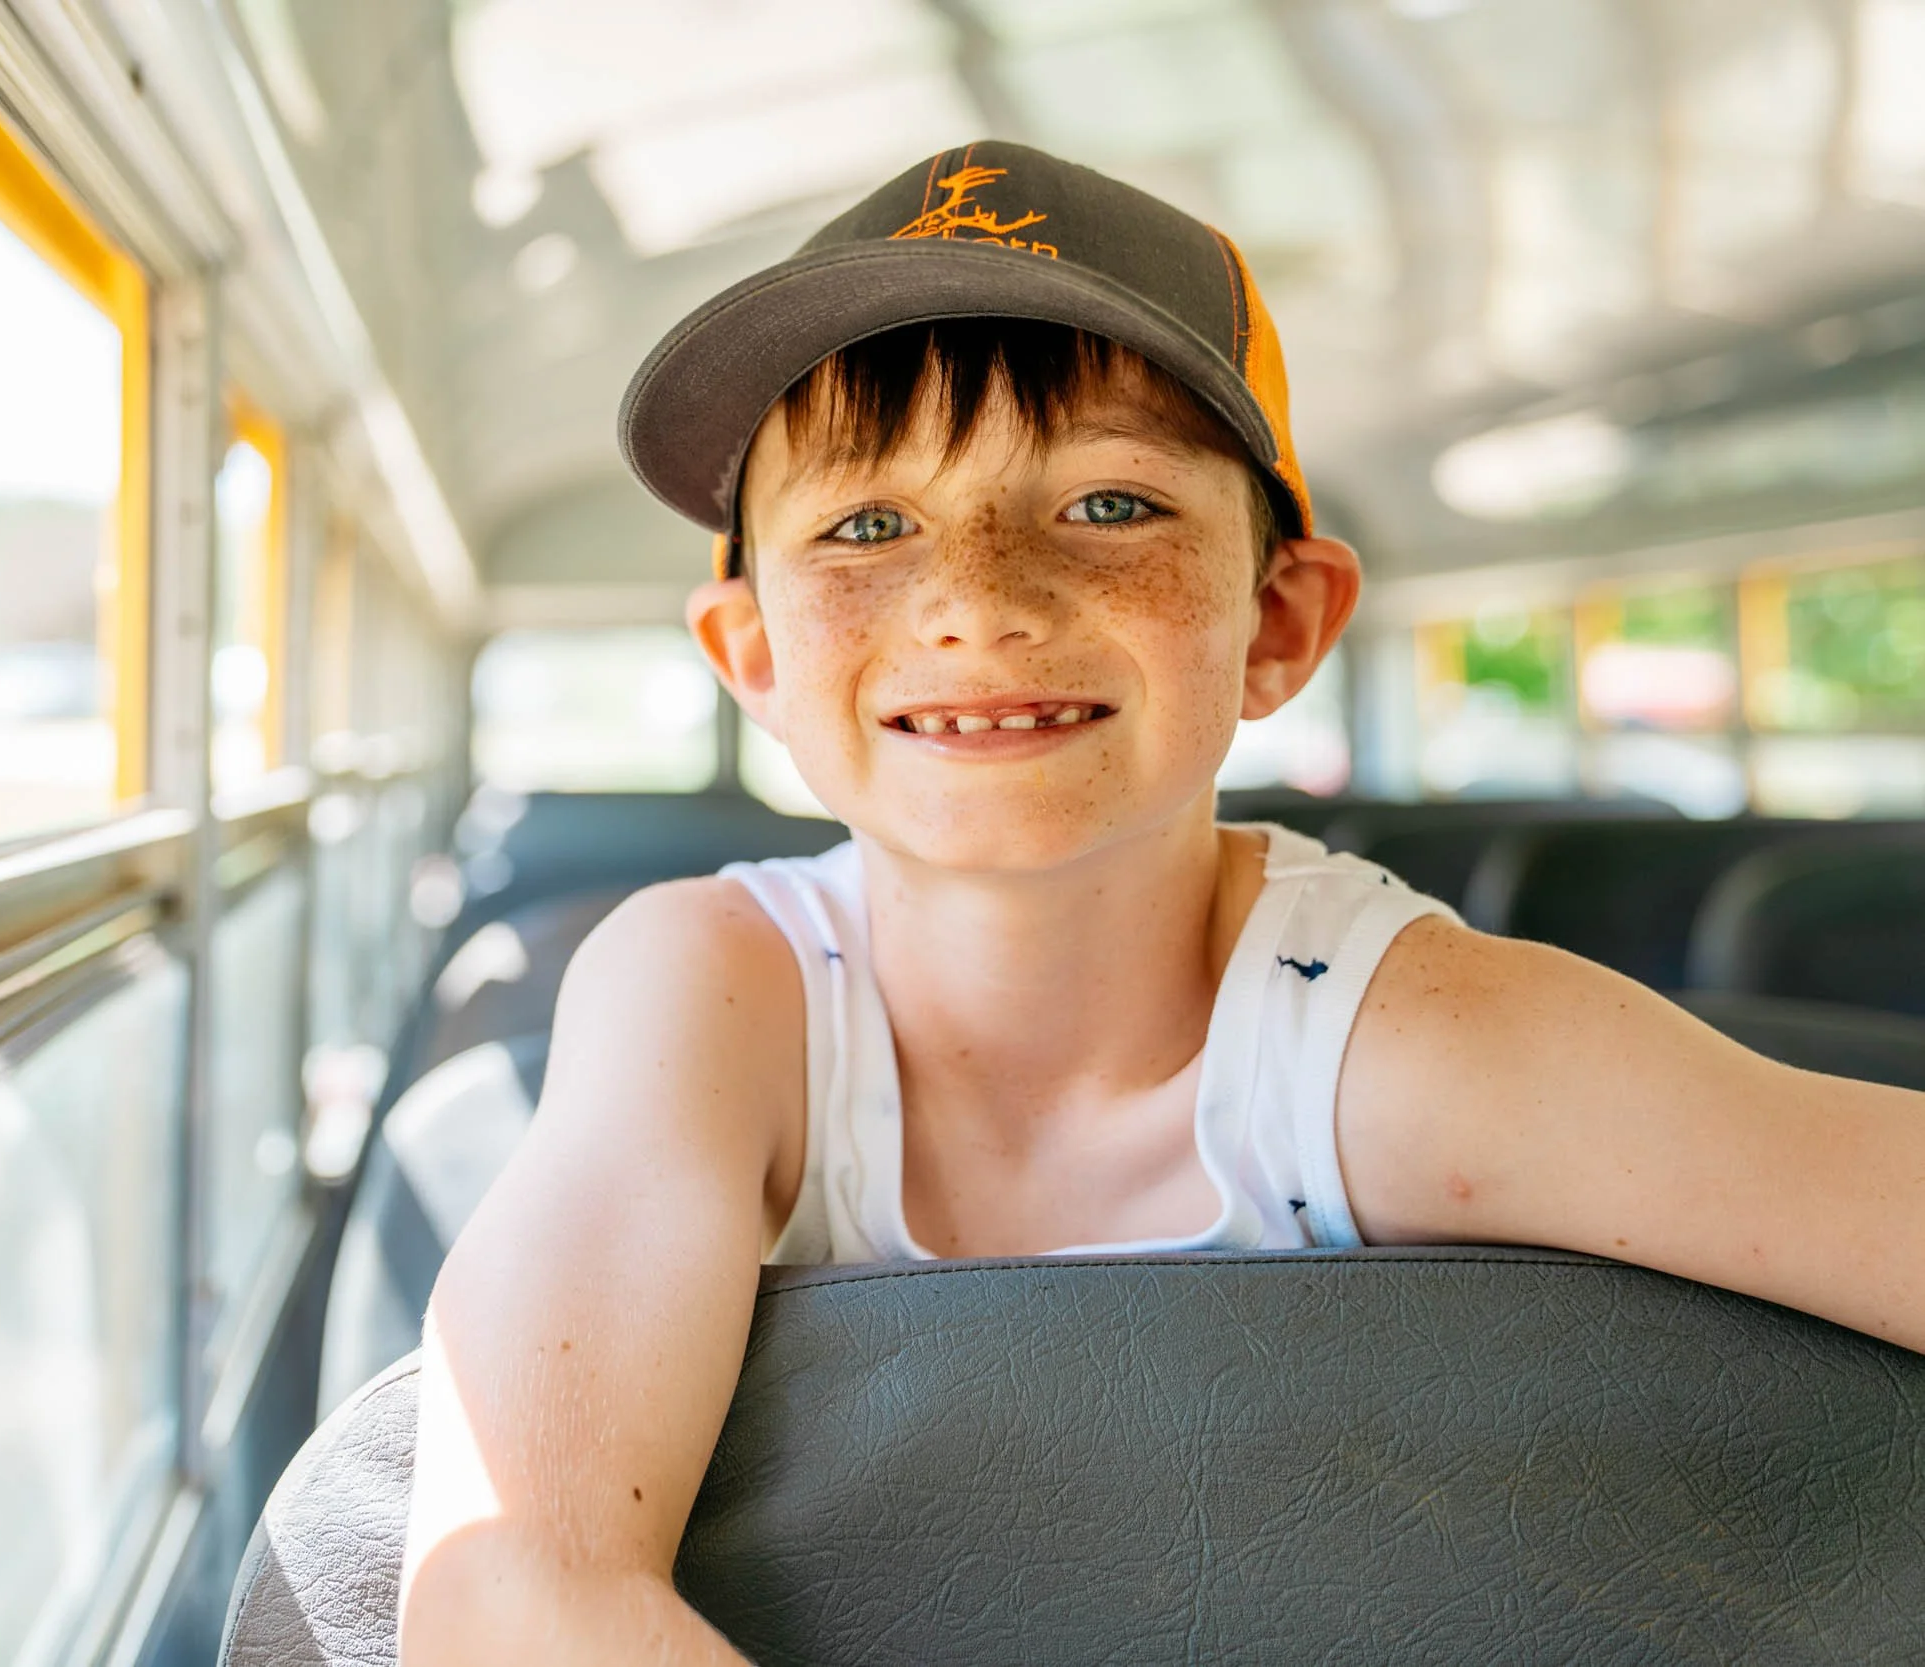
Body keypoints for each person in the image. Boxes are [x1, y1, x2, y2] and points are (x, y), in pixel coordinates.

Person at [397, 142, 1925, 1663]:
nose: (980, 595)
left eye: (1111, 504)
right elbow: (512, 1587)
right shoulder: (712, 991)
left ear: (1278, 622)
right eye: (866, 526)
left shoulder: (1382, 1033)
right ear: (753, 656)